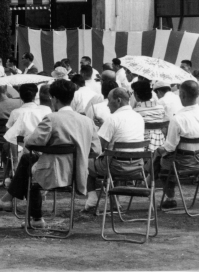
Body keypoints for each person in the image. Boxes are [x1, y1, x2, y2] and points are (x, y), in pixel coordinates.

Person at [0, 79, 101, 229]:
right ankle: (12, 203)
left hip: (53, 173)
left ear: (54, 99)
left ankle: (28, 212)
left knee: (29, 165)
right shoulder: (87, 121)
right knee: (29, 161)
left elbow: (31, 143)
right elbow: (96, 150)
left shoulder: (52, 119)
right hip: (77, 174)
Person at [84, 87, 146, 212]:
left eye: (109, 100)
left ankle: (91, 199)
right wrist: (103, 126)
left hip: (114, 166)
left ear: (118, 100)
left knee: (86, 162)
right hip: (137, 166)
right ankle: (114, 201)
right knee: (116, 156)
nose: (107, 104)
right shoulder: (138, 117)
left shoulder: (113, 119)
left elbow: (98, 148)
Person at [155, 80, 199, 209]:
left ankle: (170, 198)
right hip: (197, 160)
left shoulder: (178, 118)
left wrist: (159, 151)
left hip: (183, 163)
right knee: (162, 158)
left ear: (182, 95)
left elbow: (170, 147)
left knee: (161, 160)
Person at [131, 80, 166, 151]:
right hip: (160, 142)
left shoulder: (136, 112)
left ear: (136, 94)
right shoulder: (161, 108)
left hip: (143, 145)